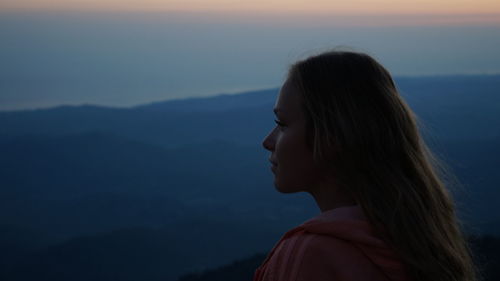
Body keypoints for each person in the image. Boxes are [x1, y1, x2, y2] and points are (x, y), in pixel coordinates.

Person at [256, 50, 479, 281]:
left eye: (282, 124)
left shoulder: (309, 256)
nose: (267, 142)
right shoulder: (421, 242)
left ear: (333, 136)